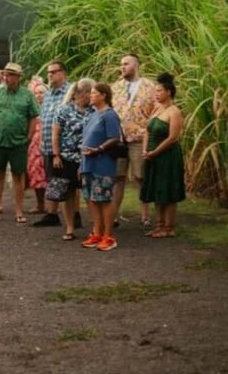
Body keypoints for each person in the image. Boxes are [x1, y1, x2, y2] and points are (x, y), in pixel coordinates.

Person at [0, 62, 40, 224]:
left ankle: (19, 210)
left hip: (18, 142)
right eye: (5, 74)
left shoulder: (27, 95)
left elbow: (33, 117)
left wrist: (29, 137)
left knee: (18, 175)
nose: (6, 78)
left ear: (17, 77)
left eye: (10, 75)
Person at [111, 53, 156, 229]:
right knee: (118, 177)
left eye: (126, 63)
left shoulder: (149, 87)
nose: (122, 67)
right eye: (121, 64)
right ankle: (113, 215)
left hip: (139, 137)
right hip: (118, 138)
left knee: (140, 177)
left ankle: (145, 215)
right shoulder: (115, 87)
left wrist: (148, 133)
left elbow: (155, 111)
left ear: (136, 65)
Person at [140, 73, 186, 238]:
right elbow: (147, 131)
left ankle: (169, 227)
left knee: (168, 190)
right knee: (157, 189)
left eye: (159, 91)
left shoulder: (174, 112)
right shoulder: (157, 108)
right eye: (156, 91)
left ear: (168, 92)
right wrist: (145, 150)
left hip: (167, 155)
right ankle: (158, 225)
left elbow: (172, 137)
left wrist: (155, 152)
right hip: (152, 155)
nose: (156, 94)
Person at [49, 78, 94, 240]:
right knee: (67, 193)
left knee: (89, 192)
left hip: (88, 157)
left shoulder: (93, 110)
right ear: (82, 93)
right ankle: (69, 227)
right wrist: (56, 155)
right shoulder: (64, 110)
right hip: (67, 156)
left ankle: (95, 228)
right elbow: (56, 133)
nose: (92, 96)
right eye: (90, 93)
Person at [80, 83, 122, 251]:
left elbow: (115, 137)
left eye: (94, 93)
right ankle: (96, 232)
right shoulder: (92, 114)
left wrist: (99, 149)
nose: (90, 96)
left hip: (102, 163)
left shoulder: (109, 115)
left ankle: (108, 236)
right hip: (87, 163)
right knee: (92, 199)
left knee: (104, 199)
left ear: (103, 95)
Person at [33, 60, 71, 227]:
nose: (50, 75)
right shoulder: (48, 94)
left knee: (68, 182)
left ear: (63, 73)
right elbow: (44, 119)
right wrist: (42, 141)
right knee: (52, 180)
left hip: (65, 146)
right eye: (48, 72)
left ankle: (73, 215)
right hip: (48, 145)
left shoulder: (70, 92)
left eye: (53, 72)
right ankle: (52, 214)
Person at [26, 77, 48, 214]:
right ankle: (40, 204)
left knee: (50, 174)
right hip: (34, 146)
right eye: (36, 93)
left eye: (42, 92)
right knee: (36, 173)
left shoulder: (52, 108)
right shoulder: (31, 109)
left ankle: (53, 206)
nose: (39, 95)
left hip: (49, 142)